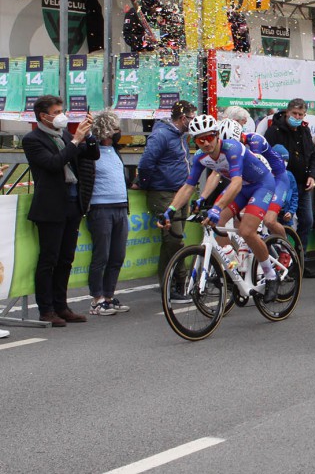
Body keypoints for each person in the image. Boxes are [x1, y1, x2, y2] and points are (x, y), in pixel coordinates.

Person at [160, 114, 282, 303]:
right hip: (241, 188)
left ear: (217, 135)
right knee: (218, 223)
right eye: (201, 140)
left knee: (247, 231)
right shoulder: (201, 157)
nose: (206, 143)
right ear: (195, 141)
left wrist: (216, 207)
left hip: (261, 185)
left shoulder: (232, 148)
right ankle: (233, 264)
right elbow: (188, 187)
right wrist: (171, 210)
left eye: (210, 137)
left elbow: (236, 183)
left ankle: (271, 275)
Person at [23, 96, 99, 326]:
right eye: (56, 112)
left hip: (73, 203)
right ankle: (46, 309)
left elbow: (91, 154)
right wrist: (75, 142)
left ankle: (61, 306)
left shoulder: (65, 135)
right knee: (50, 259)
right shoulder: (33, 139)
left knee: (66, 258)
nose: (61, 115)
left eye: (61, 110)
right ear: (43, 116)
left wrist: (88, 135)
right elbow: (54, 164)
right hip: (50, 207)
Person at [135, 100, 196, 294]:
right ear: (183, 118)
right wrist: (143, 183)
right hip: (164, 193)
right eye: (193, 118)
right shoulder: (162, 135)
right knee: (175, 240)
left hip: (181, 192)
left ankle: (167, 281)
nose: (194, 122)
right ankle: (179, 281)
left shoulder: (179, 135)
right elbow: (146, 162)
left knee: (170, 241)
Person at [85, 110, 131, 316]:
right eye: (113, 127)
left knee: (117, 255)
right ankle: (97, 298)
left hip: (120, 207)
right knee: (101, 255)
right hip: (100, 208)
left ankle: (109, 295)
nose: (117, 131)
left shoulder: (115, 151)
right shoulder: (90, 152)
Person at [263, 99, 315, 262]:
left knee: (307, 221)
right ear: (287, 112)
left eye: (300, 114)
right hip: (282, 185)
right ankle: (281, 258)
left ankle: (300, 257)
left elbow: (314, 155)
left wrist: (312, 175)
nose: (297, 117)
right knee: (281, 221)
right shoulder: (274, 131)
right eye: (294, 113)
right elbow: (267, 157)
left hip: (303, 184)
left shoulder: (305, 130)